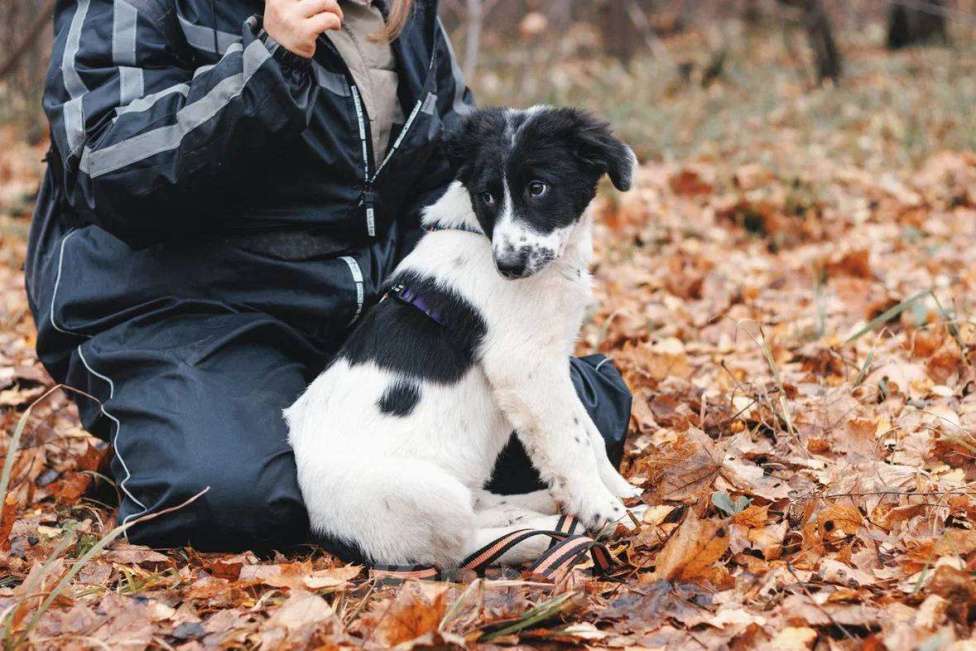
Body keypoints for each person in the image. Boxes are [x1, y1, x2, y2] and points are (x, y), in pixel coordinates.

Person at [25, 0, 633, 554]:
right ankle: (187, 426)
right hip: (182, 310)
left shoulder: (399, 12)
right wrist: (269, 62)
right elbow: (107, 166)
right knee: (234, 499)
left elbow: (449, 170)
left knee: (573, 427)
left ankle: (576, 393)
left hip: (355, 321)